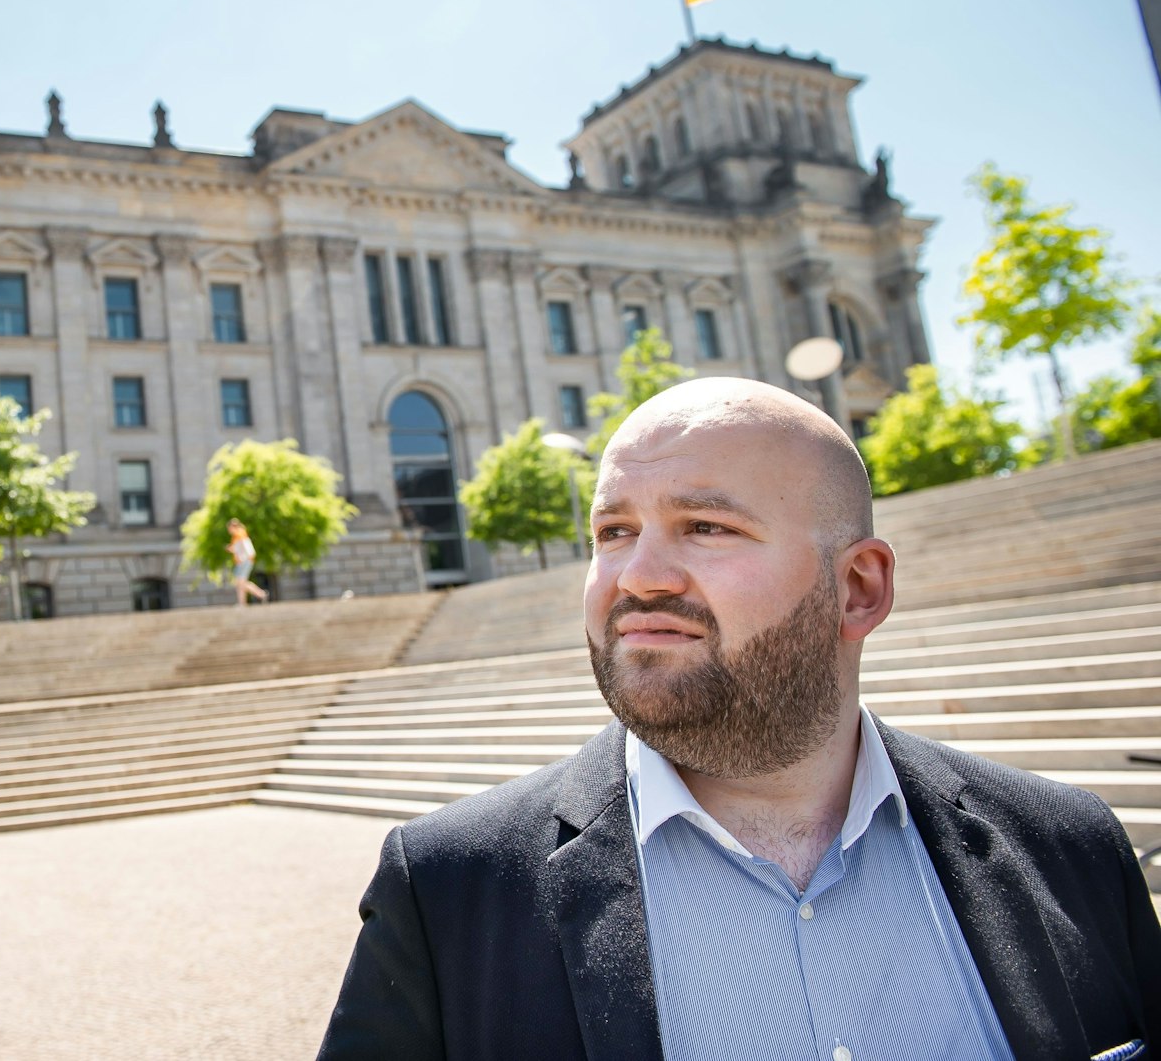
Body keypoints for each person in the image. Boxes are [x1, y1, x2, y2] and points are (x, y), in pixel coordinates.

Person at [318, 377, 1160, 1061]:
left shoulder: (1071, 847)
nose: (636, 576)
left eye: (706, 525)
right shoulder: (446, 890)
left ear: (858, 588)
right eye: (613, 530)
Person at [227, 518, 270, 607]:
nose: (229, 530)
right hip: (242, 562)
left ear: (233, 527)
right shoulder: (237, 536)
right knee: (240, 583)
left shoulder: (240, 534)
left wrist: (242, 557)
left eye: (229, 528)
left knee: (241, 583)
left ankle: (261, 594)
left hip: (244, 562)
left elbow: (246, 549)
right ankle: (244, 602)